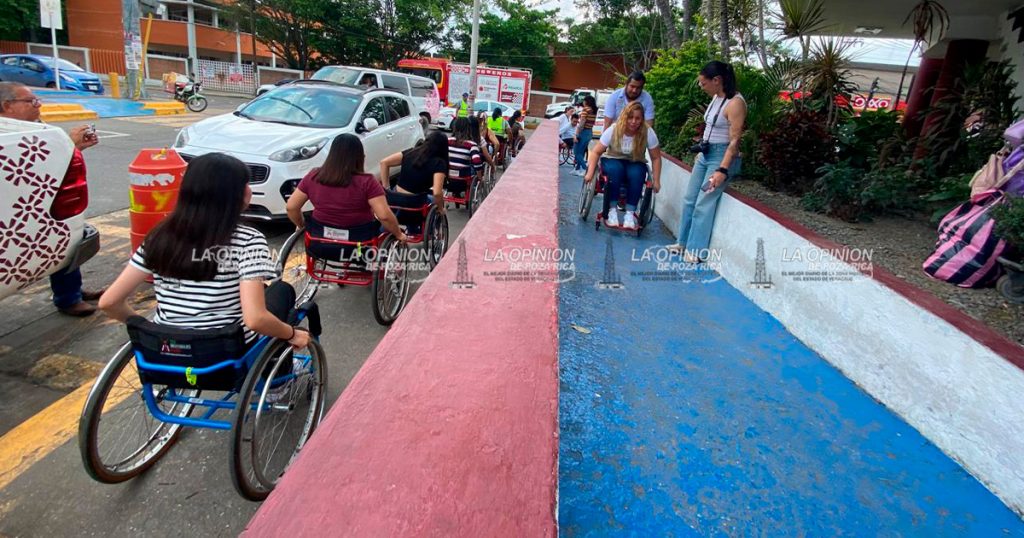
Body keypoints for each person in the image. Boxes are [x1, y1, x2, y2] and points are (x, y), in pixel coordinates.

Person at [99, 153, 311, 351]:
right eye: (245, 184)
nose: (249, 189)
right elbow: (255, 319)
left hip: (167, 344)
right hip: (223, 347)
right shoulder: (248, 240)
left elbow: (109, 302)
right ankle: (277, 386)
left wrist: (147, 328)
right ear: (233, 195)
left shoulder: (159, 235)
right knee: (281, 291)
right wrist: (292, 334)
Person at [0, 81, 104, 316]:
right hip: (15, 211)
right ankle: (68, 298)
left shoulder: (34, 130)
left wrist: (76, 149)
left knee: (64, 239)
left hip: (40, 206)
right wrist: (71, 145)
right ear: (8, 106)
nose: (38, 105)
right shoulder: (13, 136)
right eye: (30, 101)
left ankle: (71, 293)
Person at [671, 61, 746, 263]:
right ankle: (682, 242)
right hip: (706, 154)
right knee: (689, 199)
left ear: (717, 80)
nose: (701, 87)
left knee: (704, 203)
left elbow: (734, 140)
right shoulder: (716, 98)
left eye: (703, 83)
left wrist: (722, 168)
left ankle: (695, 250)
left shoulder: (735, 103)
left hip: (721, 157)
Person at [285, 134, 407, 244]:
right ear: (360, 156)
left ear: (332, 154)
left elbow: (291, 207)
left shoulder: (313, 176)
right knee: (388, 226)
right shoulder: (367, 181)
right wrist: (398, 234)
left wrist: (302, 225)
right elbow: (384, 215)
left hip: (320, 240)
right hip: (359, 242)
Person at [584, 102, 662, 230]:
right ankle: (612, 211)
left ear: (642, 119)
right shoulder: (614, 129)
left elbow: (656, 157)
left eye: (637, 118)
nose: (633, 121)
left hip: (635, 161)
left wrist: (657, 180)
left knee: (637, 173)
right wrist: (590, 172)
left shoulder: (647, 132)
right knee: (616, 170)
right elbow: (596, 152)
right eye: (630, 117)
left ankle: (630, 214)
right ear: (624, 117)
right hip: (613, 158)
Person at [379, 131, 449, 216]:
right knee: (434, 201)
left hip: (395, 197)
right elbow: (437, 193)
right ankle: (414, 229)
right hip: (415, 203)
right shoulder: (439, 163)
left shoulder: (411, 152)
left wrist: (387, 189)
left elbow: (384, 163)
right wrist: (441, 209)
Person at [447, 117, 483, 197]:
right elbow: (477, 163)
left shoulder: (447, 141)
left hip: (447, 180)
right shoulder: (471, 144)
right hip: (463, 181)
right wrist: (480, 179)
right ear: (468, 128)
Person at [573, 95, 597, 176]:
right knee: (581, 151)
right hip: (590, 132)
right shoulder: (593, 110)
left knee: (576, 151)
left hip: (583, 132)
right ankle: (577, 169)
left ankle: (585, 169)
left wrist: (576, 134)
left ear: (586, 102)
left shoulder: (585, 110)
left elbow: (582, 123)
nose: (583, 102)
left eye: (584, 100)